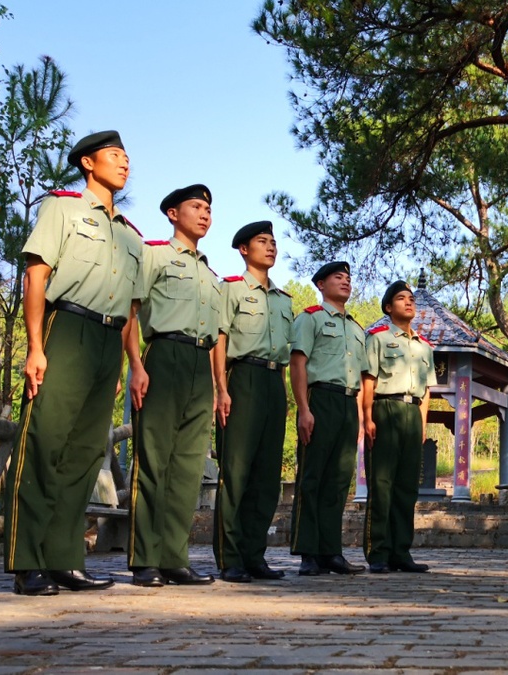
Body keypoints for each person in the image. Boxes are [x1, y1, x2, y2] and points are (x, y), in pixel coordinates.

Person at [3, 130, 143, 596]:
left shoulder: (130, 234)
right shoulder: (63, 208)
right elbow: (37, 275)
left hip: (109, 341)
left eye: (127, 156)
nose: (124, 162)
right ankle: (28, 561)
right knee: (45, 442)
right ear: (88, 163)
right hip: (69, 329)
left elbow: (130, 308)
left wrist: (129, 364)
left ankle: (64, 558)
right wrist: (36, 346)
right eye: (114, 155)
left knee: (84, 455)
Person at [123, 184, 220, 588]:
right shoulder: (156, 255)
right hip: (164, 355)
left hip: (201, 366)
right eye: (195, 207)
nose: (204, 214)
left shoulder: (210, 274)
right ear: (172, 214)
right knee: (154, 460)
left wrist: (219, 385)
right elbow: (131, 309)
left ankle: (175, 557)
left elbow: (218, 336)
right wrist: (135, 365)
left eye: (209, 209)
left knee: (189, 467)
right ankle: (145, 559)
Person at [211, 221, 294, 583]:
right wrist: (220, 389)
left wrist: (285, 396)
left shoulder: (284, 300)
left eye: (274, 242)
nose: (271, 247)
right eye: (263, 241)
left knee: (266, 476)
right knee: (237, 471)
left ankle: (254, 555)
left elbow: (286, 353)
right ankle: (230, 558)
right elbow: (219, 339)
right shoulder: (231, 289)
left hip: (274, 382)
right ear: (244, 249)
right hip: (241, 378)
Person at [289, 261, 368, 576]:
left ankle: (331, 552)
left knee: (338, 481)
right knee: (312, 477)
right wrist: (303, 409)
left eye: (348, 278)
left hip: (348, 405)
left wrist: (360, 418)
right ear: (321, 284)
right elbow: (298, 364)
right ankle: (308, 552)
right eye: (338, 277)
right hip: (320, 399)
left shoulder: (357, 328)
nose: (346, 281)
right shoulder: (311, 319)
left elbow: (361, 377)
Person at [361, 281, 436, 574]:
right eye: (401, 299)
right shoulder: (378, 338)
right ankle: (378, 551)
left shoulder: (424, 346)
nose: (409, 303)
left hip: (411, 414)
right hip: (385, 408)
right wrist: (367, 417)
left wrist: (423, 424)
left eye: (411, 299)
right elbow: (368, 380)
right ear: (389, 308)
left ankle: (401, 551)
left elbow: (427, 390)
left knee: (407, 487)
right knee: (381, 484)